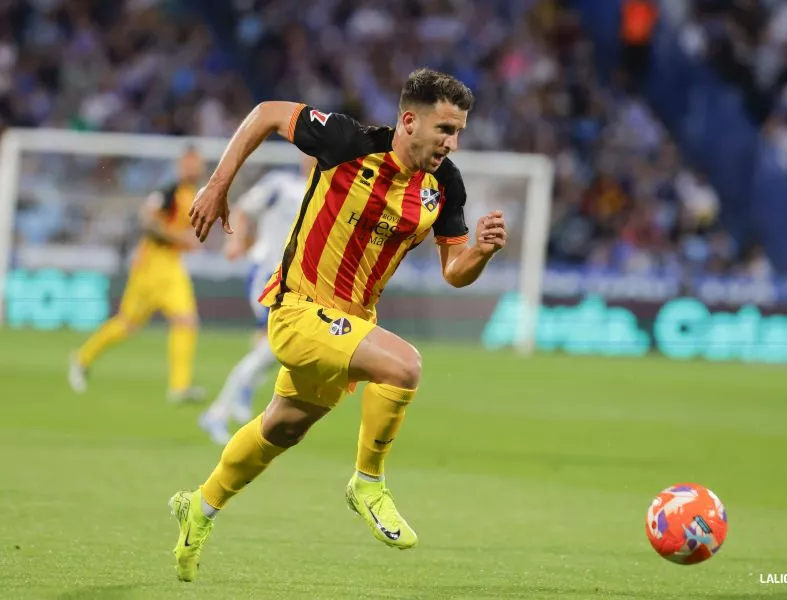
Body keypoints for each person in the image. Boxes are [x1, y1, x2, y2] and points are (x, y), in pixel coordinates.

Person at [168, 68, 507, 582]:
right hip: (297, 309)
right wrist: (219, 186)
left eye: (459, 131)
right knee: (404, 367)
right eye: (444, 129)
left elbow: (454, 271)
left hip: (348, 323)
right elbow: (264, 114)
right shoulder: (347, 141)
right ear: (409, 121)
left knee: (281, 427)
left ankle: (199, 507)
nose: (452, 142)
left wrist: (479, 252)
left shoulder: (444, 184)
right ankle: (368, 482)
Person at [68, 148, 207, 403]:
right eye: (190, 163)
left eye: (197, 164)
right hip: (152, 263)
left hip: (171, 264)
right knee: (128, 324)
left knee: (186, 321)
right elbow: (147, 220)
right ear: (181, 165)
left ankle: (180, 386)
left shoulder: (192, 194)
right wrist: (179, 238)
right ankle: (82, 357)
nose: (195, 168)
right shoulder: (168, 191)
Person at [198, 165, 310, 444]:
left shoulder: (328, 192)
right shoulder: (281, 183)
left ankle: (237, 398)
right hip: (267, 279)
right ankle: (218, 412)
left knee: (278, 350)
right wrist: (235, 243)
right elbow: (243, 209)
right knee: (275, 348)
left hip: (295, 285)